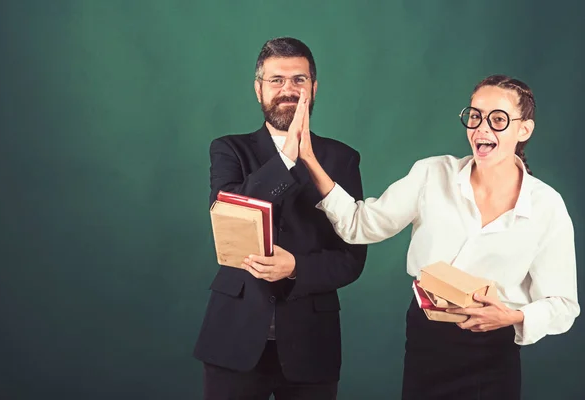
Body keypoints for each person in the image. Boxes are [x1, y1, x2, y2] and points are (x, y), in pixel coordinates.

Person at [295, 74, 580, 399]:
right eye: (475, 116)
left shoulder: (546, 205)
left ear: (524, 129)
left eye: (498, 120)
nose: (482, 129)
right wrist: (309, 160)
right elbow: (360, 224)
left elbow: (562, 304)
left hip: (494, 351)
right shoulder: (431, 174)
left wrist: (513, 316)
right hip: (428, 342)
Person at [193, 37, 368, 400]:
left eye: (299, 80)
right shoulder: (228, 149)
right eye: (276, 80)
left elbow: (351, 259)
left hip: (311, 346)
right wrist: (289, 156)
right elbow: (230, 213)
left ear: (313, 88)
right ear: (259, 90)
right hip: (234, 341)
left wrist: (295, 268)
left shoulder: (343, 158)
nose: (288, 89)